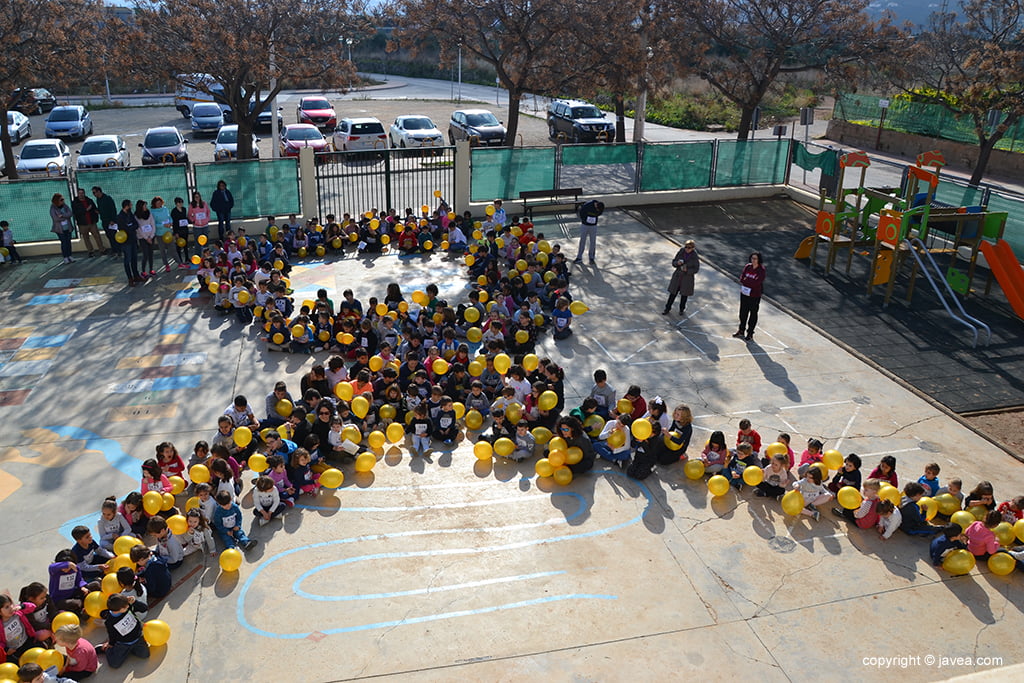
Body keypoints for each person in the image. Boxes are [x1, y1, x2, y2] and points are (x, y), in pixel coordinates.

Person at [98, 594, 149, 670]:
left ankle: (129, 651)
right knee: (114, 664)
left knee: (145, 655)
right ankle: (105, 649)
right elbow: (112, 634)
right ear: (117, 610)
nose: (128, 606)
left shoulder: (128, 607)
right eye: (125, 607)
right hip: (123, 644)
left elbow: (144, 608)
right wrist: (111, 644)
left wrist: (135, 602)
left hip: (137, 639)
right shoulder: (110, 621)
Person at [733, 251, 766, 341]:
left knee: (753, 314)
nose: (753, 260)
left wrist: (747, 281)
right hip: (744, 293)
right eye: (752, 258)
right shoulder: (748, 267)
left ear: (759, 260)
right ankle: (741, 330)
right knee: (743, 312)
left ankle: (750, 333)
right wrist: (747, 281)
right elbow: (742, 278)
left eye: (755, 259)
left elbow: (757, 282)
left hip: (754, 295)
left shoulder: (761, 270)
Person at [663, 239, 699, 315]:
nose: (687, 249)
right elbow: (673, 262)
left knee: (684, 295)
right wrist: (677, 263)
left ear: (692, 248)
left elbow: (696, 269)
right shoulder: (681, 251)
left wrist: (687, 270)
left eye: (689, 248)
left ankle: (681, 309)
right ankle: (667, 308)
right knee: (672, 294)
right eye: (686, 247)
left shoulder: (694, 256)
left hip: (687, 279)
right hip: (678, 277)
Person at [116, 199, 141, 286]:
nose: (131, 207)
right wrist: (131, 227)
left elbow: (136, 224)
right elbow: (123, 228)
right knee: (127, 260)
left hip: (133, 239)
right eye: (130, 205)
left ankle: (136, 275)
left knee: (134, 258)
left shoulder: (130, 214)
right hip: (126, 242)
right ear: (126, 206)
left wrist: (131, 227)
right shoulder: (120, 217)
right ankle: (130, 278)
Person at [70, 187, 102, 257]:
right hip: (82, 224)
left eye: (82, 193)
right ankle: (90, 251)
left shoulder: (89, 200)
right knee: (86, 238)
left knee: (97, 236)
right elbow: (76, 212)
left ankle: (102, 249)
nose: (81, 195)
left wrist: (96, 213)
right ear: (77, 194)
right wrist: (86, 210)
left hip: (92, 222)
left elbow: (94, 208)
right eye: (79, 193)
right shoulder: (75, 203)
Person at [574, 199, 604, 265]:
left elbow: (600, 213)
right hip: (585, 225)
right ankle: (579, 257)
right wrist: (585, 220)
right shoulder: (587, 205)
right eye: (597, 210)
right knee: (582, 241)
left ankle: (591, 257)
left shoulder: (600, 209)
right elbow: (581, 212)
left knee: (593, 241)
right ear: (596, 206)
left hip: (593, 226)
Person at [91, 186, 119, 256]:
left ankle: (118, 250)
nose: (94, 194)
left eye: (94, 192)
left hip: (111, 221)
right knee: (109, 235)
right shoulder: (98, 199)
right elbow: (102, 209)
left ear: (99, 191)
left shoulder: (107, 198)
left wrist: (113, 220)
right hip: (104, 220)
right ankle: (114, 249)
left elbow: (113, 209)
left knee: (113, 235)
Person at [50, 193, 75, 264]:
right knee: (64, 243)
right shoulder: (53, 208)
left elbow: (70, 213)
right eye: (61, 200)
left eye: (63, 199)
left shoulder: (65, 206)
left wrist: (62, 216)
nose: (63, 201)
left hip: (68, 227)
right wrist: (64, 217)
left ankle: (70, 255)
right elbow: (55, 218)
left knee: (68, 242)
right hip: (60, 229)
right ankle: (65, 257)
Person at [135, 199, 156, 277]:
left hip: (151, 236)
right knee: (145, 254)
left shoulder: (149, 213)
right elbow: (139, 229)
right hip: (143, 238)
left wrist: (151, 236)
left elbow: (153, 224)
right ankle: (143, 271)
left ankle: (151, 269)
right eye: (144, 205)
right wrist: (146, 238)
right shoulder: (136, 216)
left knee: (151, 254)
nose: (145, 207)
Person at [188, 191, 211, 256]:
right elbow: (189, 215)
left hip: (205, 225)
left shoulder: (204, 203)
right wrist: (193, 221)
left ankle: (207, 255)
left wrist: (207, 219)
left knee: (206, 241)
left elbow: (208, 212)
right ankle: (198, 256)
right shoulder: (192, 205)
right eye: (195, 197)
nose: (197, 198)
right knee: (197, 242)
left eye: (198, 197)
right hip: (197, 227)